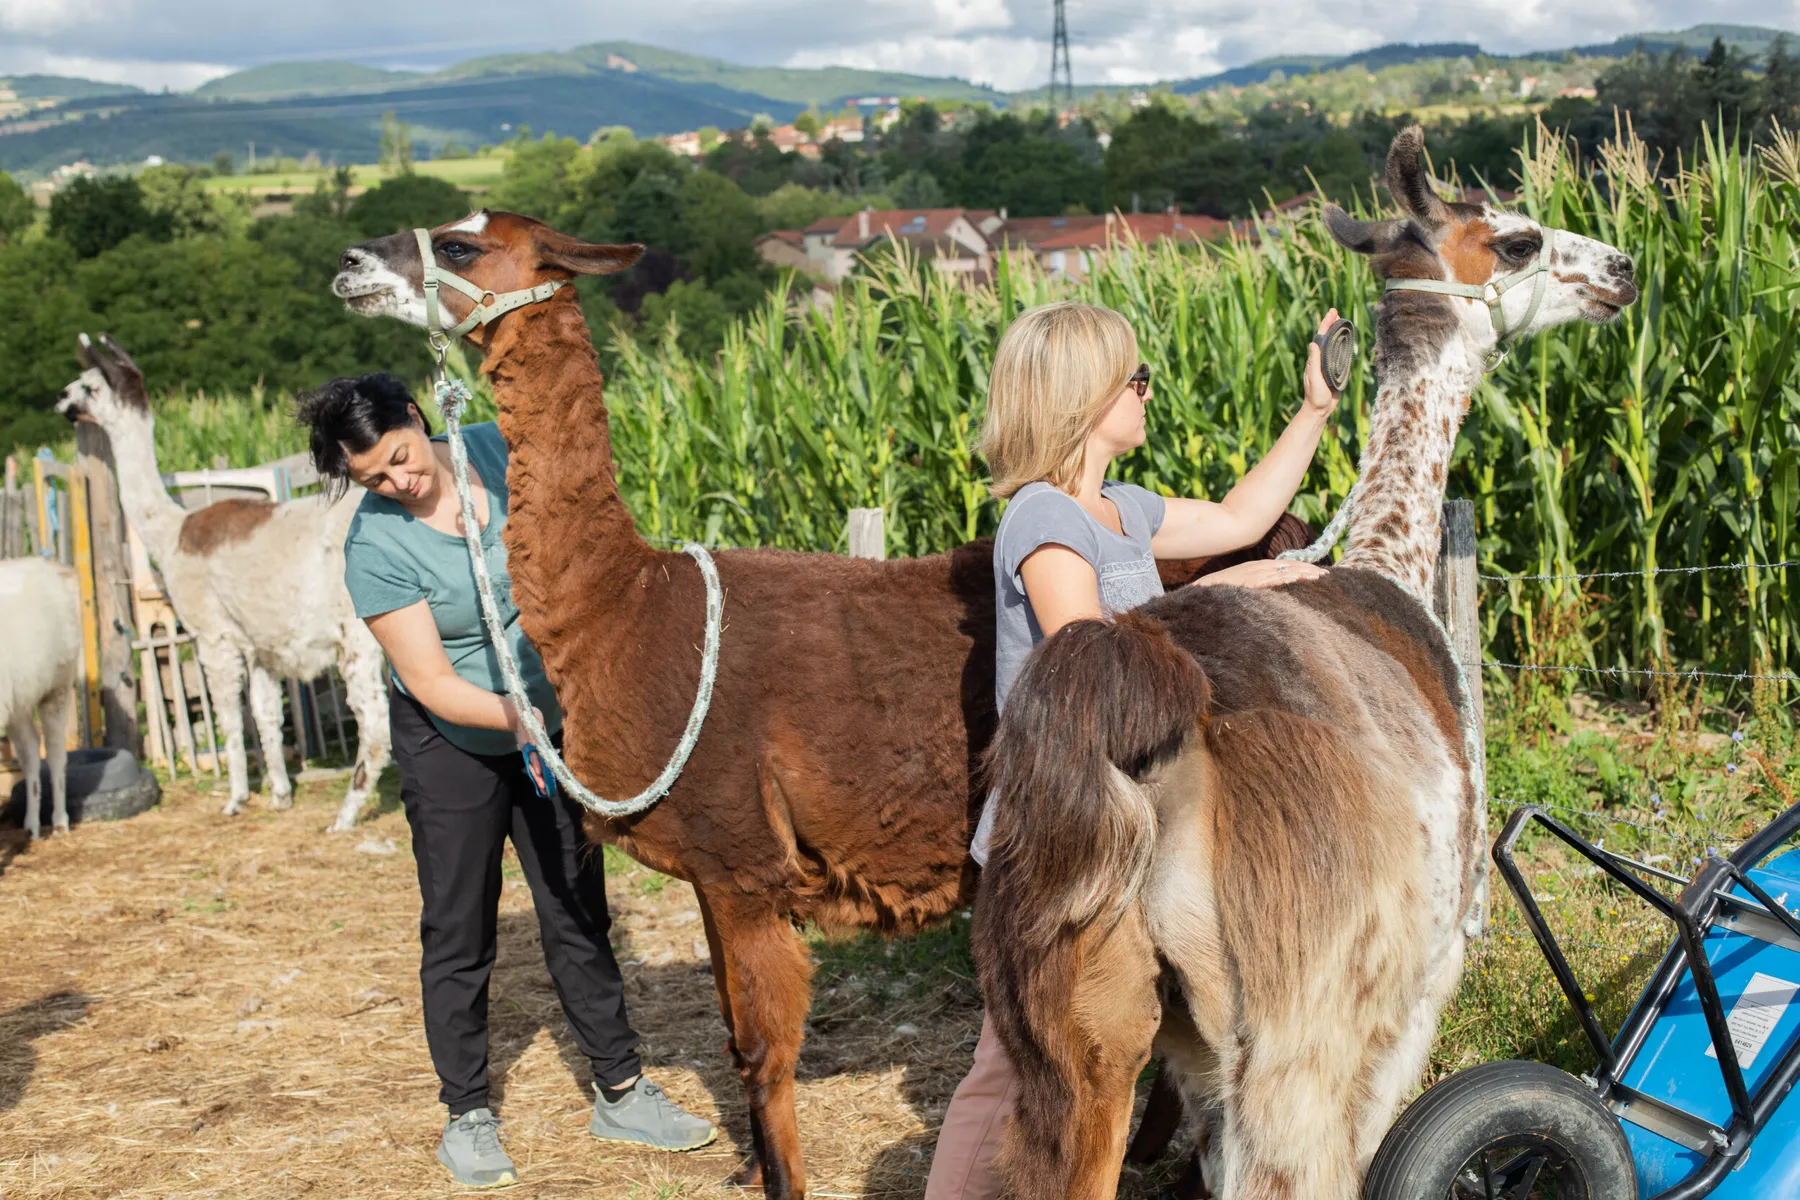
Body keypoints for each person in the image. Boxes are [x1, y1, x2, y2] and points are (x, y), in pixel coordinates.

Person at [925, 302, 1342, 1199]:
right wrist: (1234, 592)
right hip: (1055, 835)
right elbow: (1091, 649)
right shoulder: (1042, 519)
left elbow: (1239, 514)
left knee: (1093, 1051)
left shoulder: (1118, 509)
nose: (1149, 390)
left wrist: (1314, 410)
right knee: (1012, 1064)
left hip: (1126, 823)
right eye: (1135, 378)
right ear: (1084, 397)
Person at [298, 374, 716, 1190]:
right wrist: (520, 721)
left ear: (416, 417)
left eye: (400, 458)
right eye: (374, 479)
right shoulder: (376, 548)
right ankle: (467, 1113)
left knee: (575, 905)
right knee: (460, 925)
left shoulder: (495, 449)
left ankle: (621, 1090)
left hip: (547, 717)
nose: (397, 483)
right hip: (455, 737)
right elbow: (431, 681)